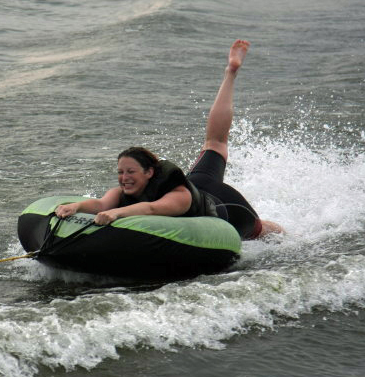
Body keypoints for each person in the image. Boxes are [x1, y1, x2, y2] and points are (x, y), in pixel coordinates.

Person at [55, 39, 283, 239]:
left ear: (149, 172)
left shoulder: (179, 195)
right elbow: (101, 205)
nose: (124, 178)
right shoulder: (121, 192)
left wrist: (117, 213)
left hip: (226, 206)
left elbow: (152, 209)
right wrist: (76, 206)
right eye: (120, 172)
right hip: (198, 180)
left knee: (262, 231)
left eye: (131, 172)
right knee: (215, 144)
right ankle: (231, 71)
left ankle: (231, 72)